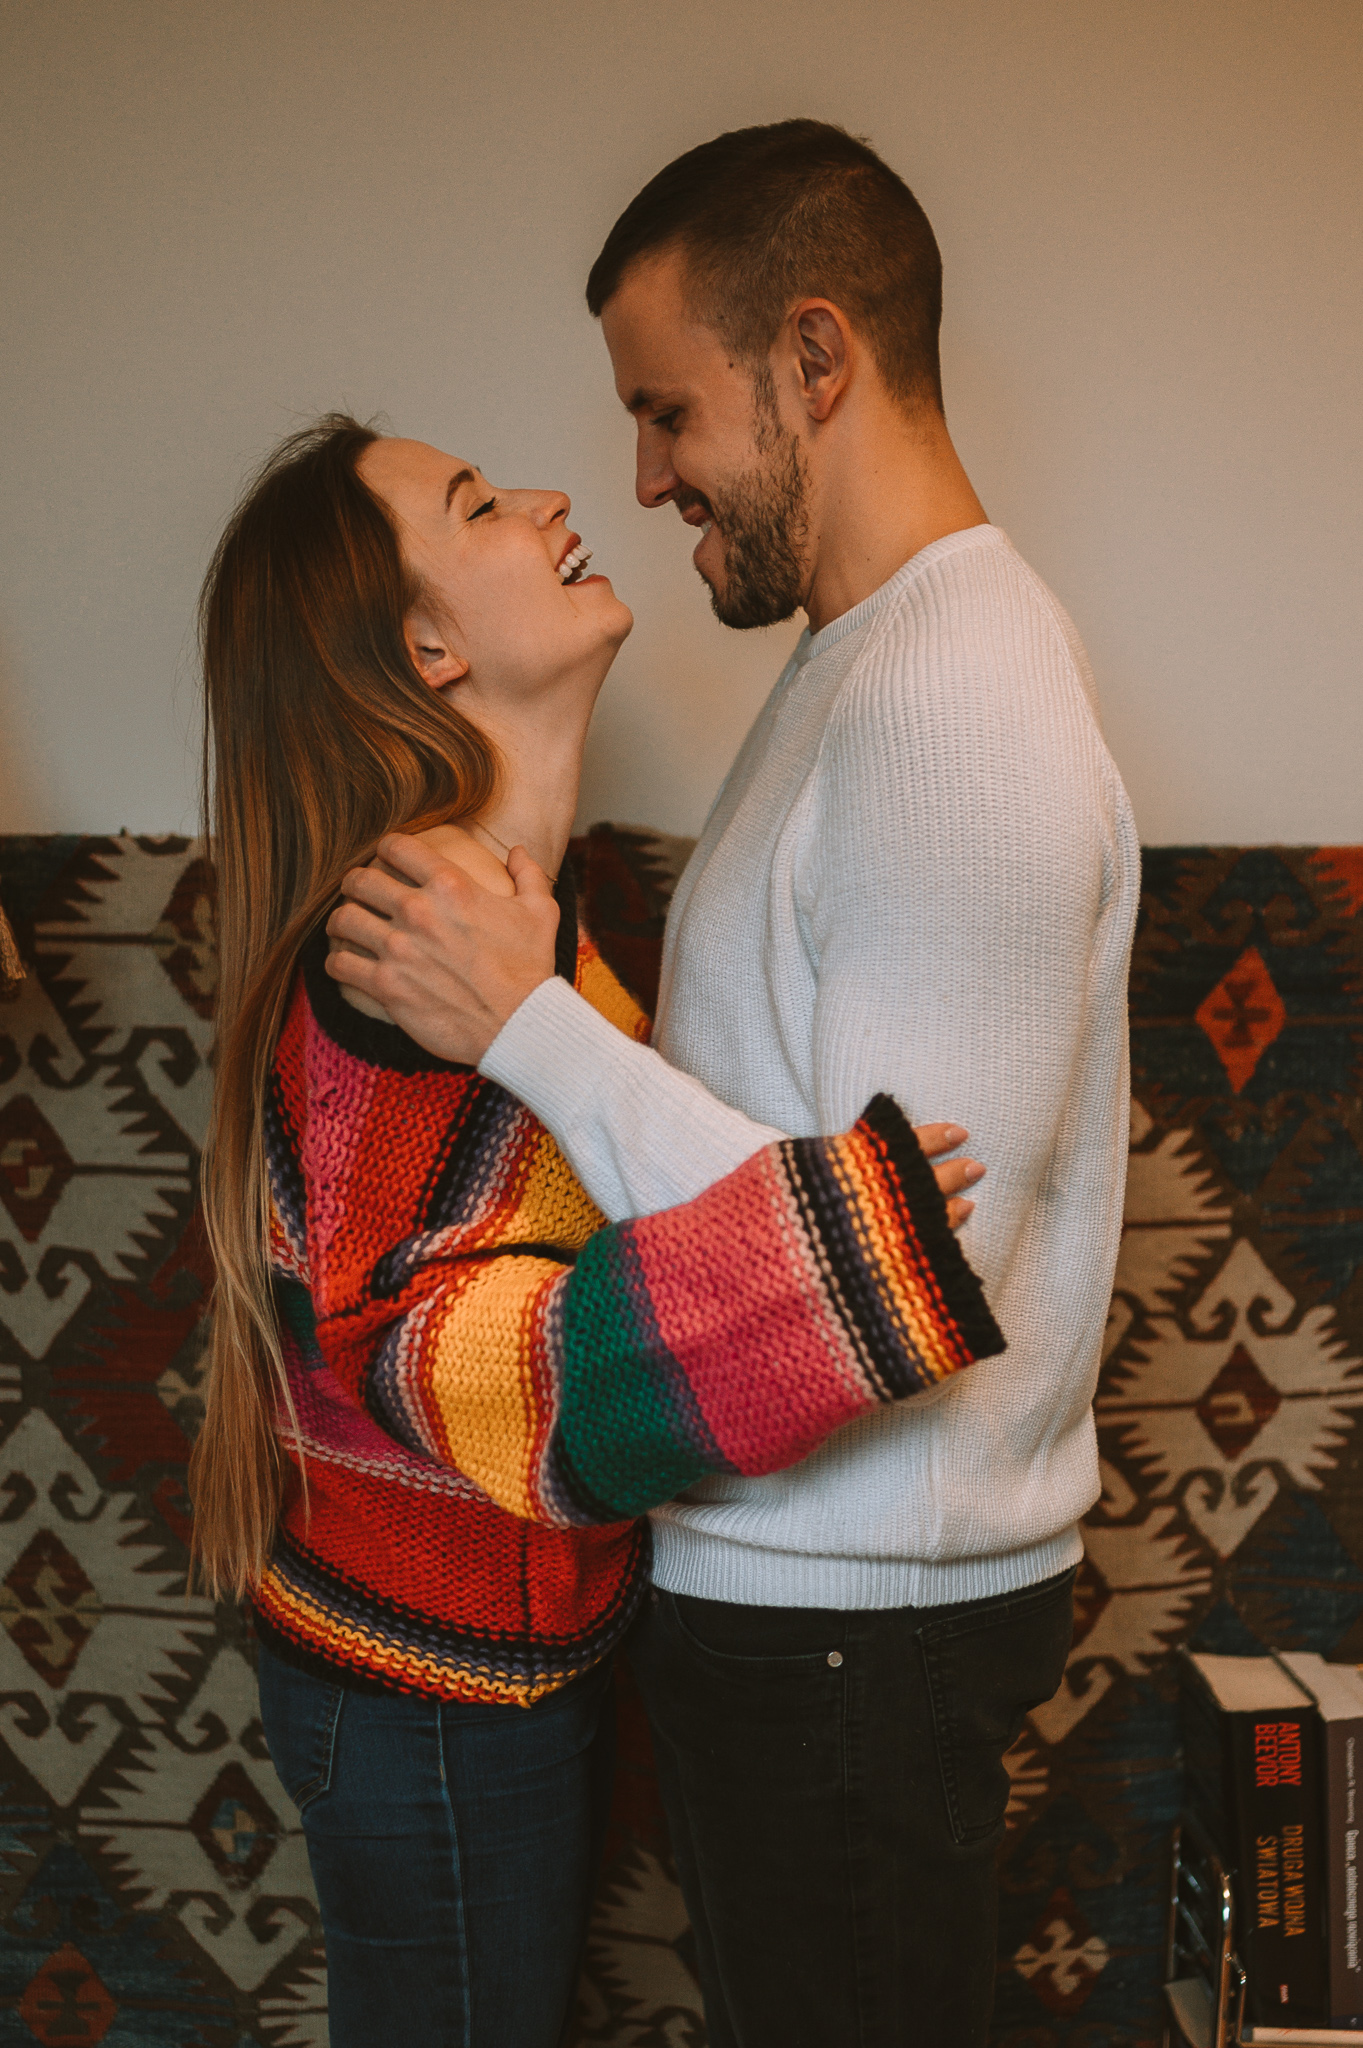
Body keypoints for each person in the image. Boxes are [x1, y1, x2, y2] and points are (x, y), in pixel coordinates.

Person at [325, 120, 1142, 2047]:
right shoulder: (864, 661)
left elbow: (904, 1263)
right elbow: (834, 1193)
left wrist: (530, 1021)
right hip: (803, 1599)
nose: (643, 476)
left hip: (860, 1618)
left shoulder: (956, 701)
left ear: (815, 356)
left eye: (667, 410)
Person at [189, 413, 1001, 2048]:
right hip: (421, 1699)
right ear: (426, 648)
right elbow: (456, 1363)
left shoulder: (517, 921)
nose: (556, 497)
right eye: (480, 503)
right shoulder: (411, 960)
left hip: (486, 1669)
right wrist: (838, 1258)